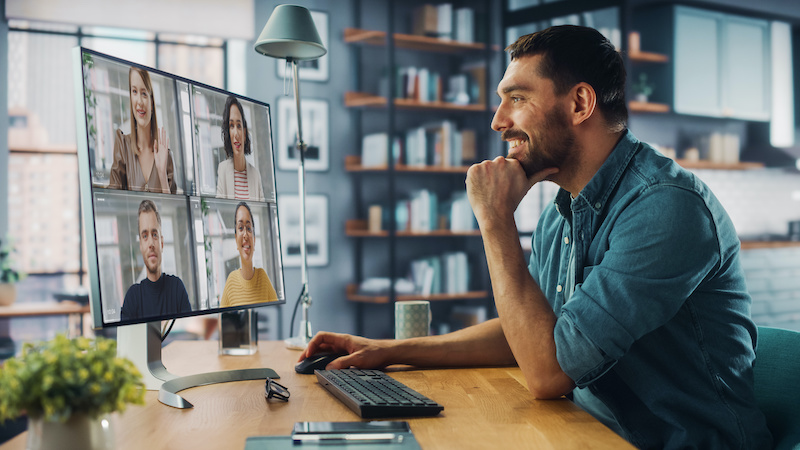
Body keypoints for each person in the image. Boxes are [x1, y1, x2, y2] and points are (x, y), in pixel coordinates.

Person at [300, 25, 772, 449]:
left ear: (580, 104)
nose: (497, 120)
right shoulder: (562, 210)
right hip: (589, 433)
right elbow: (534, 336)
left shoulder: (664, 208)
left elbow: (549, 372)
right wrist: (387, 351)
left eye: (517, 98)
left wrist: (495, 221)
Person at [108, 67, 178, 194]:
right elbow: (112, 198)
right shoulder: (123, 146)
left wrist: (162, 174)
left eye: (144, 93)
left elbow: (173, 203)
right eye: (134, 91)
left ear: (152, 102)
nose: (139, 102)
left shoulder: (166, 156)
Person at [120, 199, 191, 321]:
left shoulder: (177, 288)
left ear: (161, 243)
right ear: (141, 245)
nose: (151, 244)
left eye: (154, 235)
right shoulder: (132, 299)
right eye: (145, 236)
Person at [219, 202, 277, 307]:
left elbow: (277, 312)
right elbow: (221, 318)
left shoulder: (263, 277)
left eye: (249, 228)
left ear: (254, 239)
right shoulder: (231, 282)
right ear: (236, 239)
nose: (245, 235)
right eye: (241, 228)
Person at [216, 96, 266, 202]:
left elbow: (263, 210)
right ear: (228, 133)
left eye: (239, 126)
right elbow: (220, 208)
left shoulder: (255, 174)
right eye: (231, 126)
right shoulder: (222, 170)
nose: (236, 134)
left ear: (244, 132)